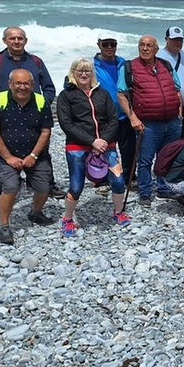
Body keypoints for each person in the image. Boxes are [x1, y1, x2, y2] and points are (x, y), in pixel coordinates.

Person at [0, 26, 63, 199]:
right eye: (12, 38)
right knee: (4, 152)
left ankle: (48, 185)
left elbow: (48, 88)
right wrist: (0, 109)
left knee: (42, 152)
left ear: (26, 40)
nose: (16, 41)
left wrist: (41, 106)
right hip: (5, 117)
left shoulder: (36, 61)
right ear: (5, 41)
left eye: (20, 38)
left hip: (34, 116)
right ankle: (6, 190)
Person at [55, 59, 131, 237]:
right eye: (79, 71)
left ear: (92, 73)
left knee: (119, 180)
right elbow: (67, 124)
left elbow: (113, 119)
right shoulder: (66, 96)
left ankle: (118, 212)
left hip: (106, 145)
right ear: (73, 72)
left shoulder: (102, 94)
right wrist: (92, 141)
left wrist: (102, 140)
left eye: (87, 71)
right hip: (77, 146)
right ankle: (67, 219)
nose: (83, 74)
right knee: (76, 185)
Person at [0, 69, 54, 244]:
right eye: (18, 83)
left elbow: (46, 132)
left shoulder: (40, 102)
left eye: (26, 83)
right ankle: (4, 225)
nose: (22, 87)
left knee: (44, 186)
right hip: (7, 156)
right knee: (11, 187)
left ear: (32, 85)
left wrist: (33, 155)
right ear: (10, 84)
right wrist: (9, 158)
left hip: (36, 155)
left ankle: (36, 213)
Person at [117, 35, 182, 206]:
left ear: (156, 49)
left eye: (148, 46)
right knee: (145, 159)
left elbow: (176, 89)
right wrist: (132, 118)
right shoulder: (129, 67)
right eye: (142, 45)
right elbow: (121, 94)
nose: (144, 48)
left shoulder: (165, 65)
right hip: (148, 122)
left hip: (172, 121)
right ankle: (145, 192)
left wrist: (179, 112)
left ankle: (163, 188)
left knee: (166, 156)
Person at [93, 36, 136, 182]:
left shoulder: (123, 63)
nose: (109, 47)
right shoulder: (91, 65)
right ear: (99, 45)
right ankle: (102, 179)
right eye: (106, 44)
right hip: (103, 116)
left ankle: (129, 177)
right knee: (104, 149)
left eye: (113, 44)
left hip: (124, 114)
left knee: (129, 149)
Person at [156, 27, 184, 137]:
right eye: (174, 40)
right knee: (169, 140)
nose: (178, 43)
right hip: (169, 107)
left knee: (183, 138)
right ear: (166, 39)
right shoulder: (158, 57)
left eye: (180, 40)